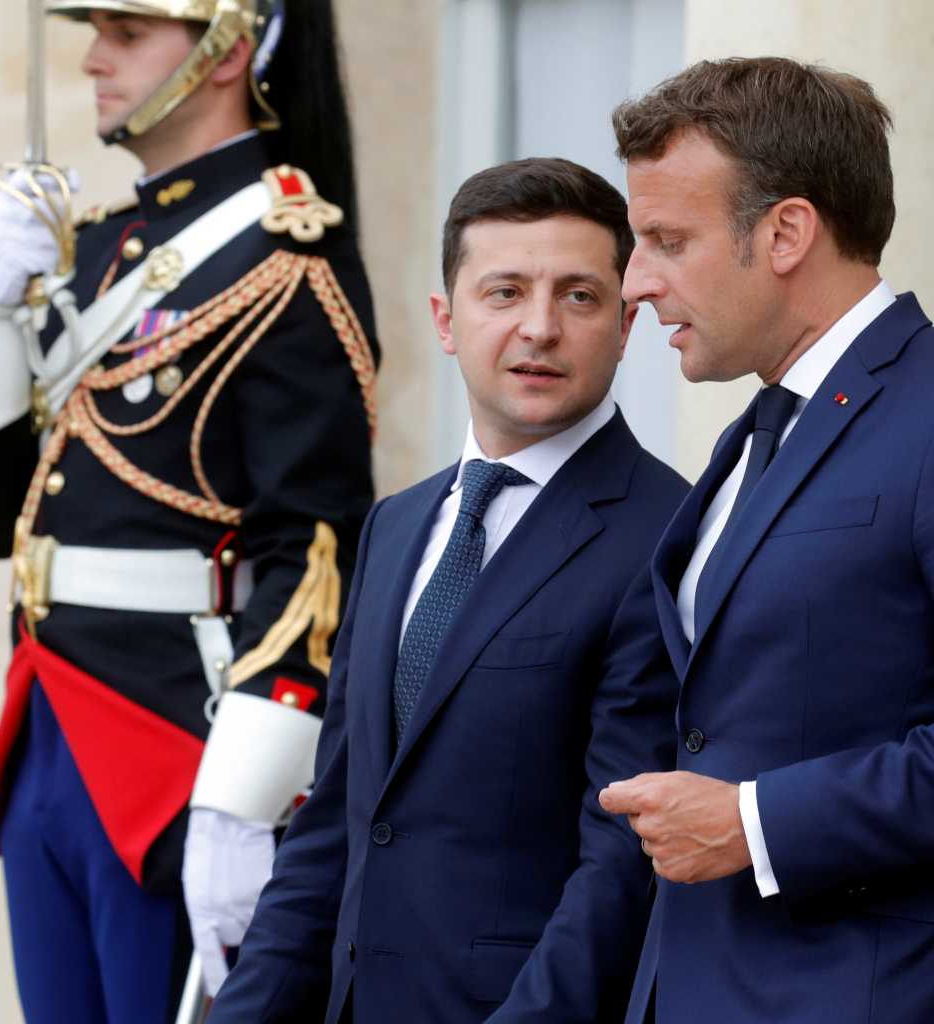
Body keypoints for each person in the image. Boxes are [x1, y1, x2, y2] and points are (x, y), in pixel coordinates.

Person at [597, 57, 934, 1022]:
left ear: (788, 232)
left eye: (668, 240)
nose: (636, 283)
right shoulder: (753, 435)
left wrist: (756, 823)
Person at [0, 2, 377, 1020]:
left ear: (224, 50)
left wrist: (244, 795)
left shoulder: (288, 254)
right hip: (48, 716)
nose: (94, 56)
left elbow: (316, 546)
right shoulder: (100, 249)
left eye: (129, 33)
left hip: (175, 740)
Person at [208, 157, 689, 1024]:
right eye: (504, 292)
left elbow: (623, 857)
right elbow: (335, 827)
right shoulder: (394, 527)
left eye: (579, 297)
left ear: (626, 325)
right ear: (445, 319)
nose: (539, 327)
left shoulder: (670, 533)